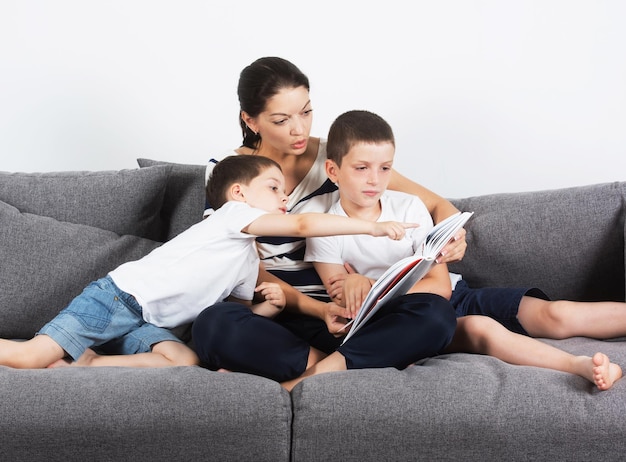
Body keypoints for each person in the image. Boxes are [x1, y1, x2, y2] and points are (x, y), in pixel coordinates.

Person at [192, 57, 466, 384]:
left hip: (354, 308)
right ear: (251, 121)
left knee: (435, 316)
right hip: (283, 314)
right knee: (212, 325)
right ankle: (342, 365)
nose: (300, 129)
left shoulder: (337, 158)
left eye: (306, 112)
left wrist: (454, 234)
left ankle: (315, 375)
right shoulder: (227, 171)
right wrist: (318, 310)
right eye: (281, 120)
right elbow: (242, 264)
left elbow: (435, 203)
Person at [0, 155, 417, 370]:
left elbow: (239, 311)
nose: (283, 199)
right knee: (28, 358)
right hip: (118, 300)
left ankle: (92, 362)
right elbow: (303, 222)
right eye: (273, 189)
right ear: (238, 194)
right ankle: (61, 352)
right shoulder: (231, 219)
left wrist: (266, 308)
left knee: (185, 360)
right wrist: (371, 229)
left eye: (285, 192)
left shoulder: (243, 259)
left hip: (152, 324)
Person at [305, 109, 623, 391]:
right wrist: (353, 292)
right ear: (333, 171)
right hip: (409, 320)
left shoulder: (409, 207)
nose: (375, 179)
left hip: (455, 295)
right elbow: (345, 304)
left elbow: (440, 287)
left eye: (385, 168)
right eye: (362, 168)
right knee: (482, 329)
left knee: (555, 314)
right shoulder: (324, 226)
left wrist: (370, 286)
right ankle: (581, 366)